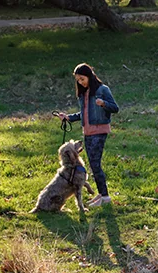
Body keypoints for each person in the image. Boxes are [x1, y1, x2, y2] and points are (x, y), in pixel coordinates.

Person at [53, 63, 119, 206]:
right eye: (78, 80)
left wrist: (103, 104)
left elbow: (115, 108)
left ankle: (106, 197)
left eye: (82, 79)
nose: (80, 82)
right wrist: (68, 117)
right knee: (93, 164)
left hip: (99, 132)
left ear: (89, 75)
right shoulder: (84, 94)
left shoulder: (102, 90)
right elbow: (83, 114)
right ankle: (101, 194)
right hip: (88, 133)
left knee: (96, 164)